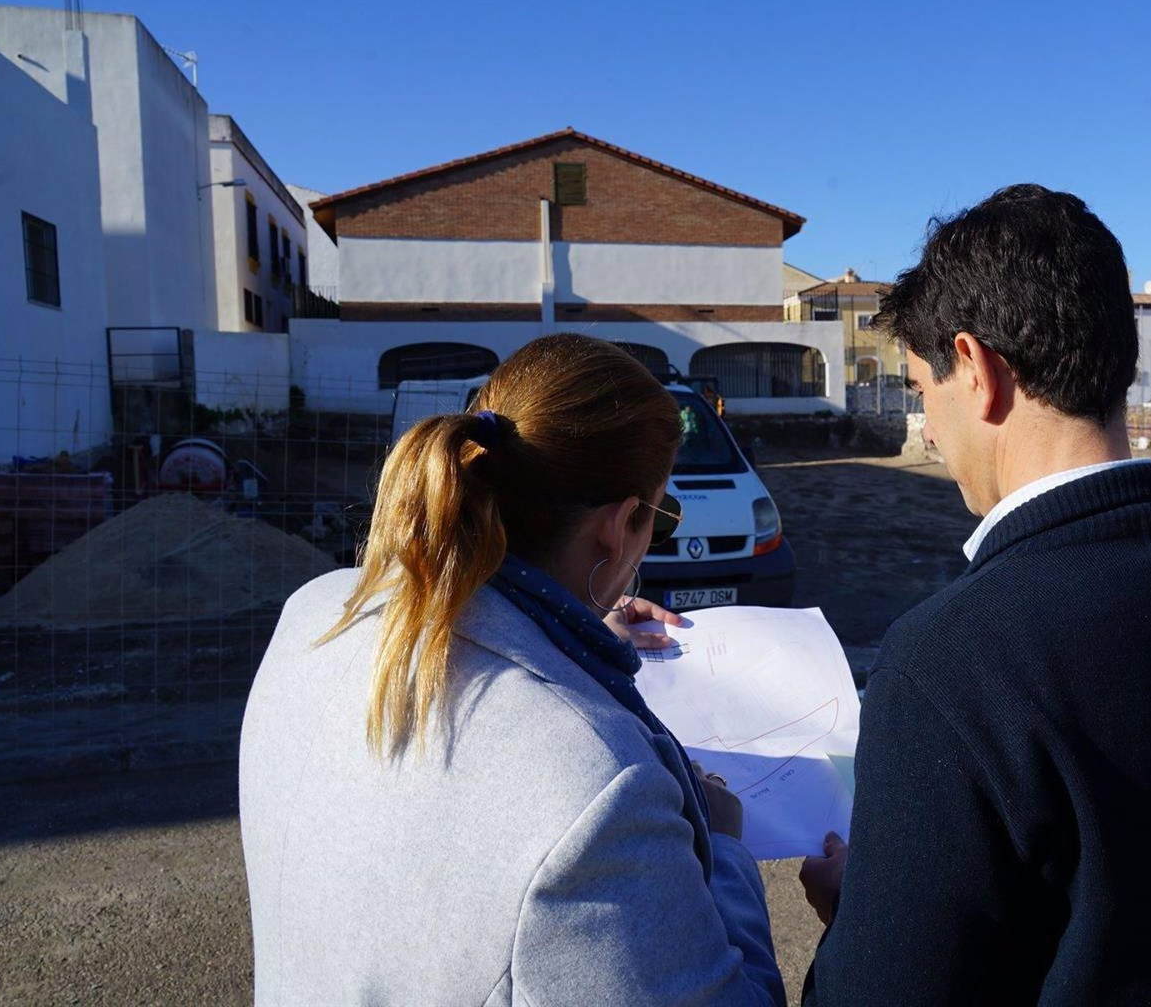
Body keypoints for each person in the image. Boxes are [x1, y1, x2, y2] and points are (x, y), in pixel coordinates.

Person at [798, 186, 1151, 1005]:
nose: (927, 429)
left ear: (977, 369)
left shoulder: (951, 663)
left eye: (925, 391)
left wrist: (863, 912)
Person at [240, 334, 785, 1006]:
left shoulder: (316, 615)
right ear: (616, 528)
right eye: (660, 518)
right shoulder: (600, 789)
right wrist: (727, 851)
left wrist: (564, 645)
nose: (655, 537)